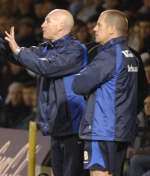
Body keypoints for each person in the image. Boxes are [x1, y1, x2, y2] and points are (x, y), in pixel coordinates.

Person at [4, 9, 88, 176]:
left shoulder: (76, 50)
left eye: (47, 21)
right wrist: (5, 44)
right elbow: (20, 56)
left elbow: (46, 67)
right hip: (56, 123)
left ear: (60, 26)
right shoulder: (46, 48)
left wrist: (19, 51)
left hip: (73, 125)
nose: (42, 25)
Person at [73, 10, 140, 176]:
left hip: (102, 129)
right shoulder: (131, 56)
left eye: (99, 25)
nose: (94, 29)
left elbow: (78, 85)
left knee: (99, 173)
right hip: (121, 130)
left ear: (112, 29)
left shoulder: (108, 56)